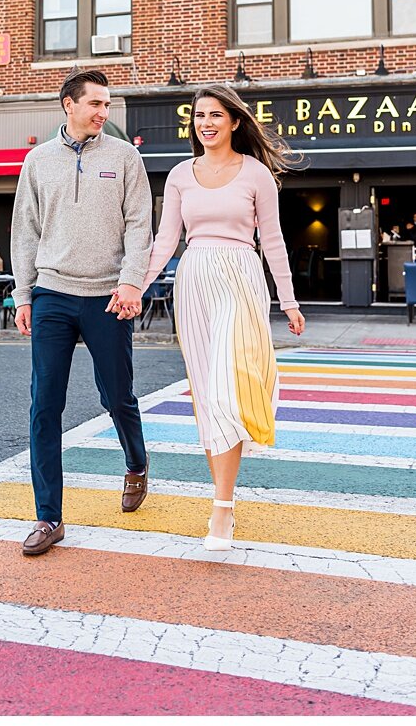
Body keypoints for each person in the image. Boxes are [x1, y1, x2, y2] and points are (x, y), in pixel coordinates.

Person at [139, 84, 306, 552]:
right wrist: (136, 287)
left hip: (241, 277)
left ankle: (222, 510)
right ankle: (223, 502)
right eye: (199, 115)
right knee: (208, 393)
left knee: (230, 385)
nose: (206, 123)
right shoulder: (179, 176)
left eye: (215, 114)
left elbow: (272, 240)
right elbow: (165, 241)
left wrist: (288, 301)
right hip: (194, 280)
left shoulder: (256, 174)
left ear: (235, 121)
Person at [11, 69, 152, 557]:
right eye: (95, 104)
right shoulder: (37, 161)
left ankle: (136, 463)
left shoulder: (124, 156)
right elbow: (25, 231)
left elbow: (139, 225)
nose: (103, 112)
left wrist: (132, 280)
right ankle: (48, 517)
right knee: (44, 406)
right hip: (51, 293)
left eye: (108, 105)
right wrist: (23, 294)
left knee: (117, 394)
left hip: (107, 297)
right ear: (68, 104)